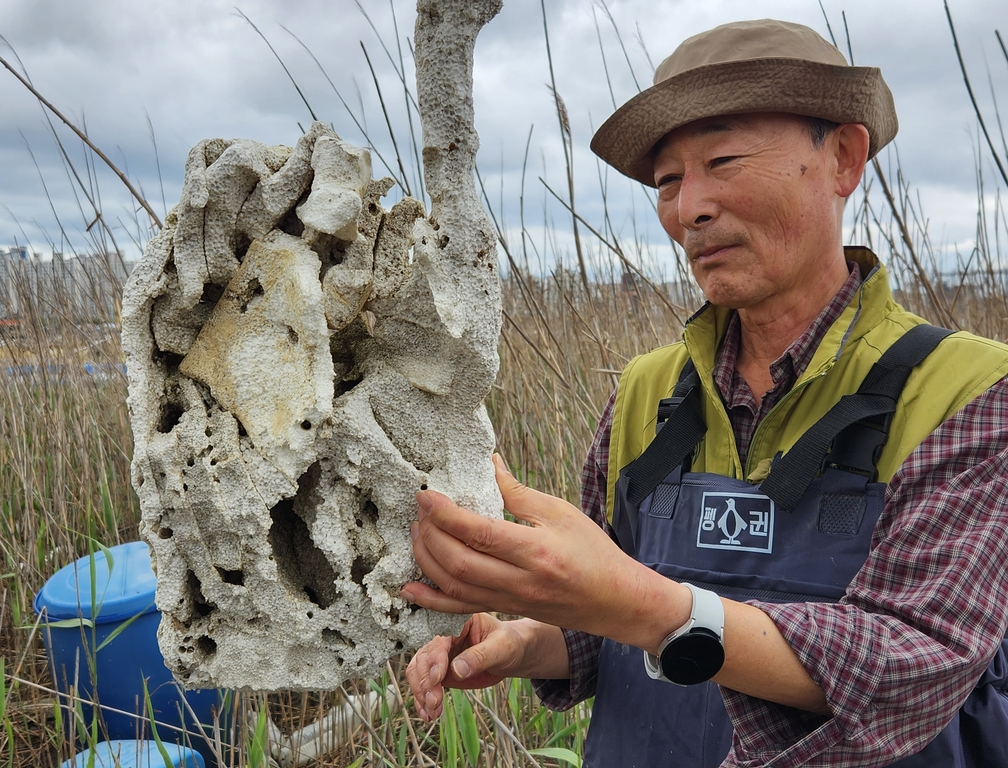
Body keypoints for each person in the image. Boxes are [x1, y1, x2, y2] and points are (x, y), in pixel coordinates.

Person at [400, 18, 1008, 767]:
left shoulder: (969, 390)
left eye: (723, 159)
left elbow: (913, 662)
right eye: (667, 181)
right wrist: (525, 641)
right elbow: (607, 616)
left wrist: (646, 605)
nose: (690, 209)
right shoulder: (646, 392)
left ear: (844, 157)